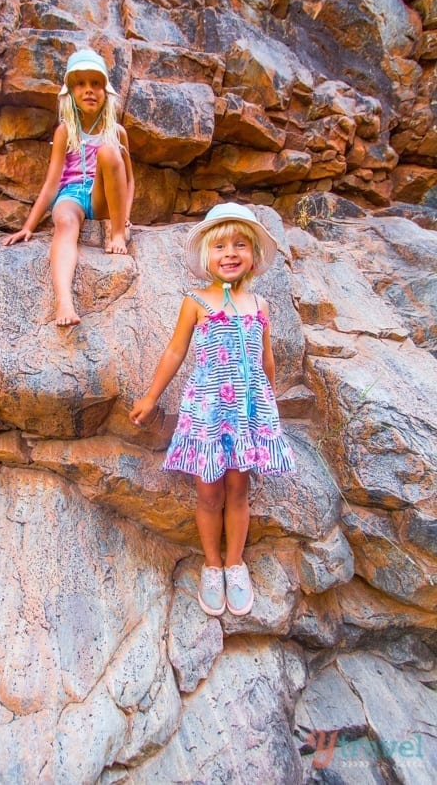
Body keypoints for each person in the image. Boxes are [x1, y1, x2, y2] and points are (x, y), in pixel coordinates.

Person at [130, 203, 295, 617]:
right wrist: (151, 397)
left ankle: (235, 564)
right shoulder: (196, 302)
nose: (230, 253)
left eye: (240, 244)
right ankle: (212, 564)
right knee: (208, 492)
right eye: (220, 245)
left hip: (247, 413)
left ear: (253, 255)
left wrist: (269, 408)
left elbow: (267, 359)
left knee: (239, 489)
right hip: (208, 412)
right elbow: (174, 350)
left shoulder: (260, 305)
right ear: (207, 256)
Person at [2, 48, 134, 326]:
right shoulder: (65, 131)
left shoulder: (117, 132)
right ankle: (63, 299)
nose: (89, 90)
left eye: (95, 83)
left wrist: (122, 220)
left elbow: (128, 180)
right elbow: (52, 183)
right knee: (64, 223)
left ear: (105, 90)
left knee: (109, 153)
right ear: (71, 92)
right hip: (72, 194)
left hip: (102, 198)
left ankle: (118, 235)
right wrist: (29, 226)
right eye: (81, 84)